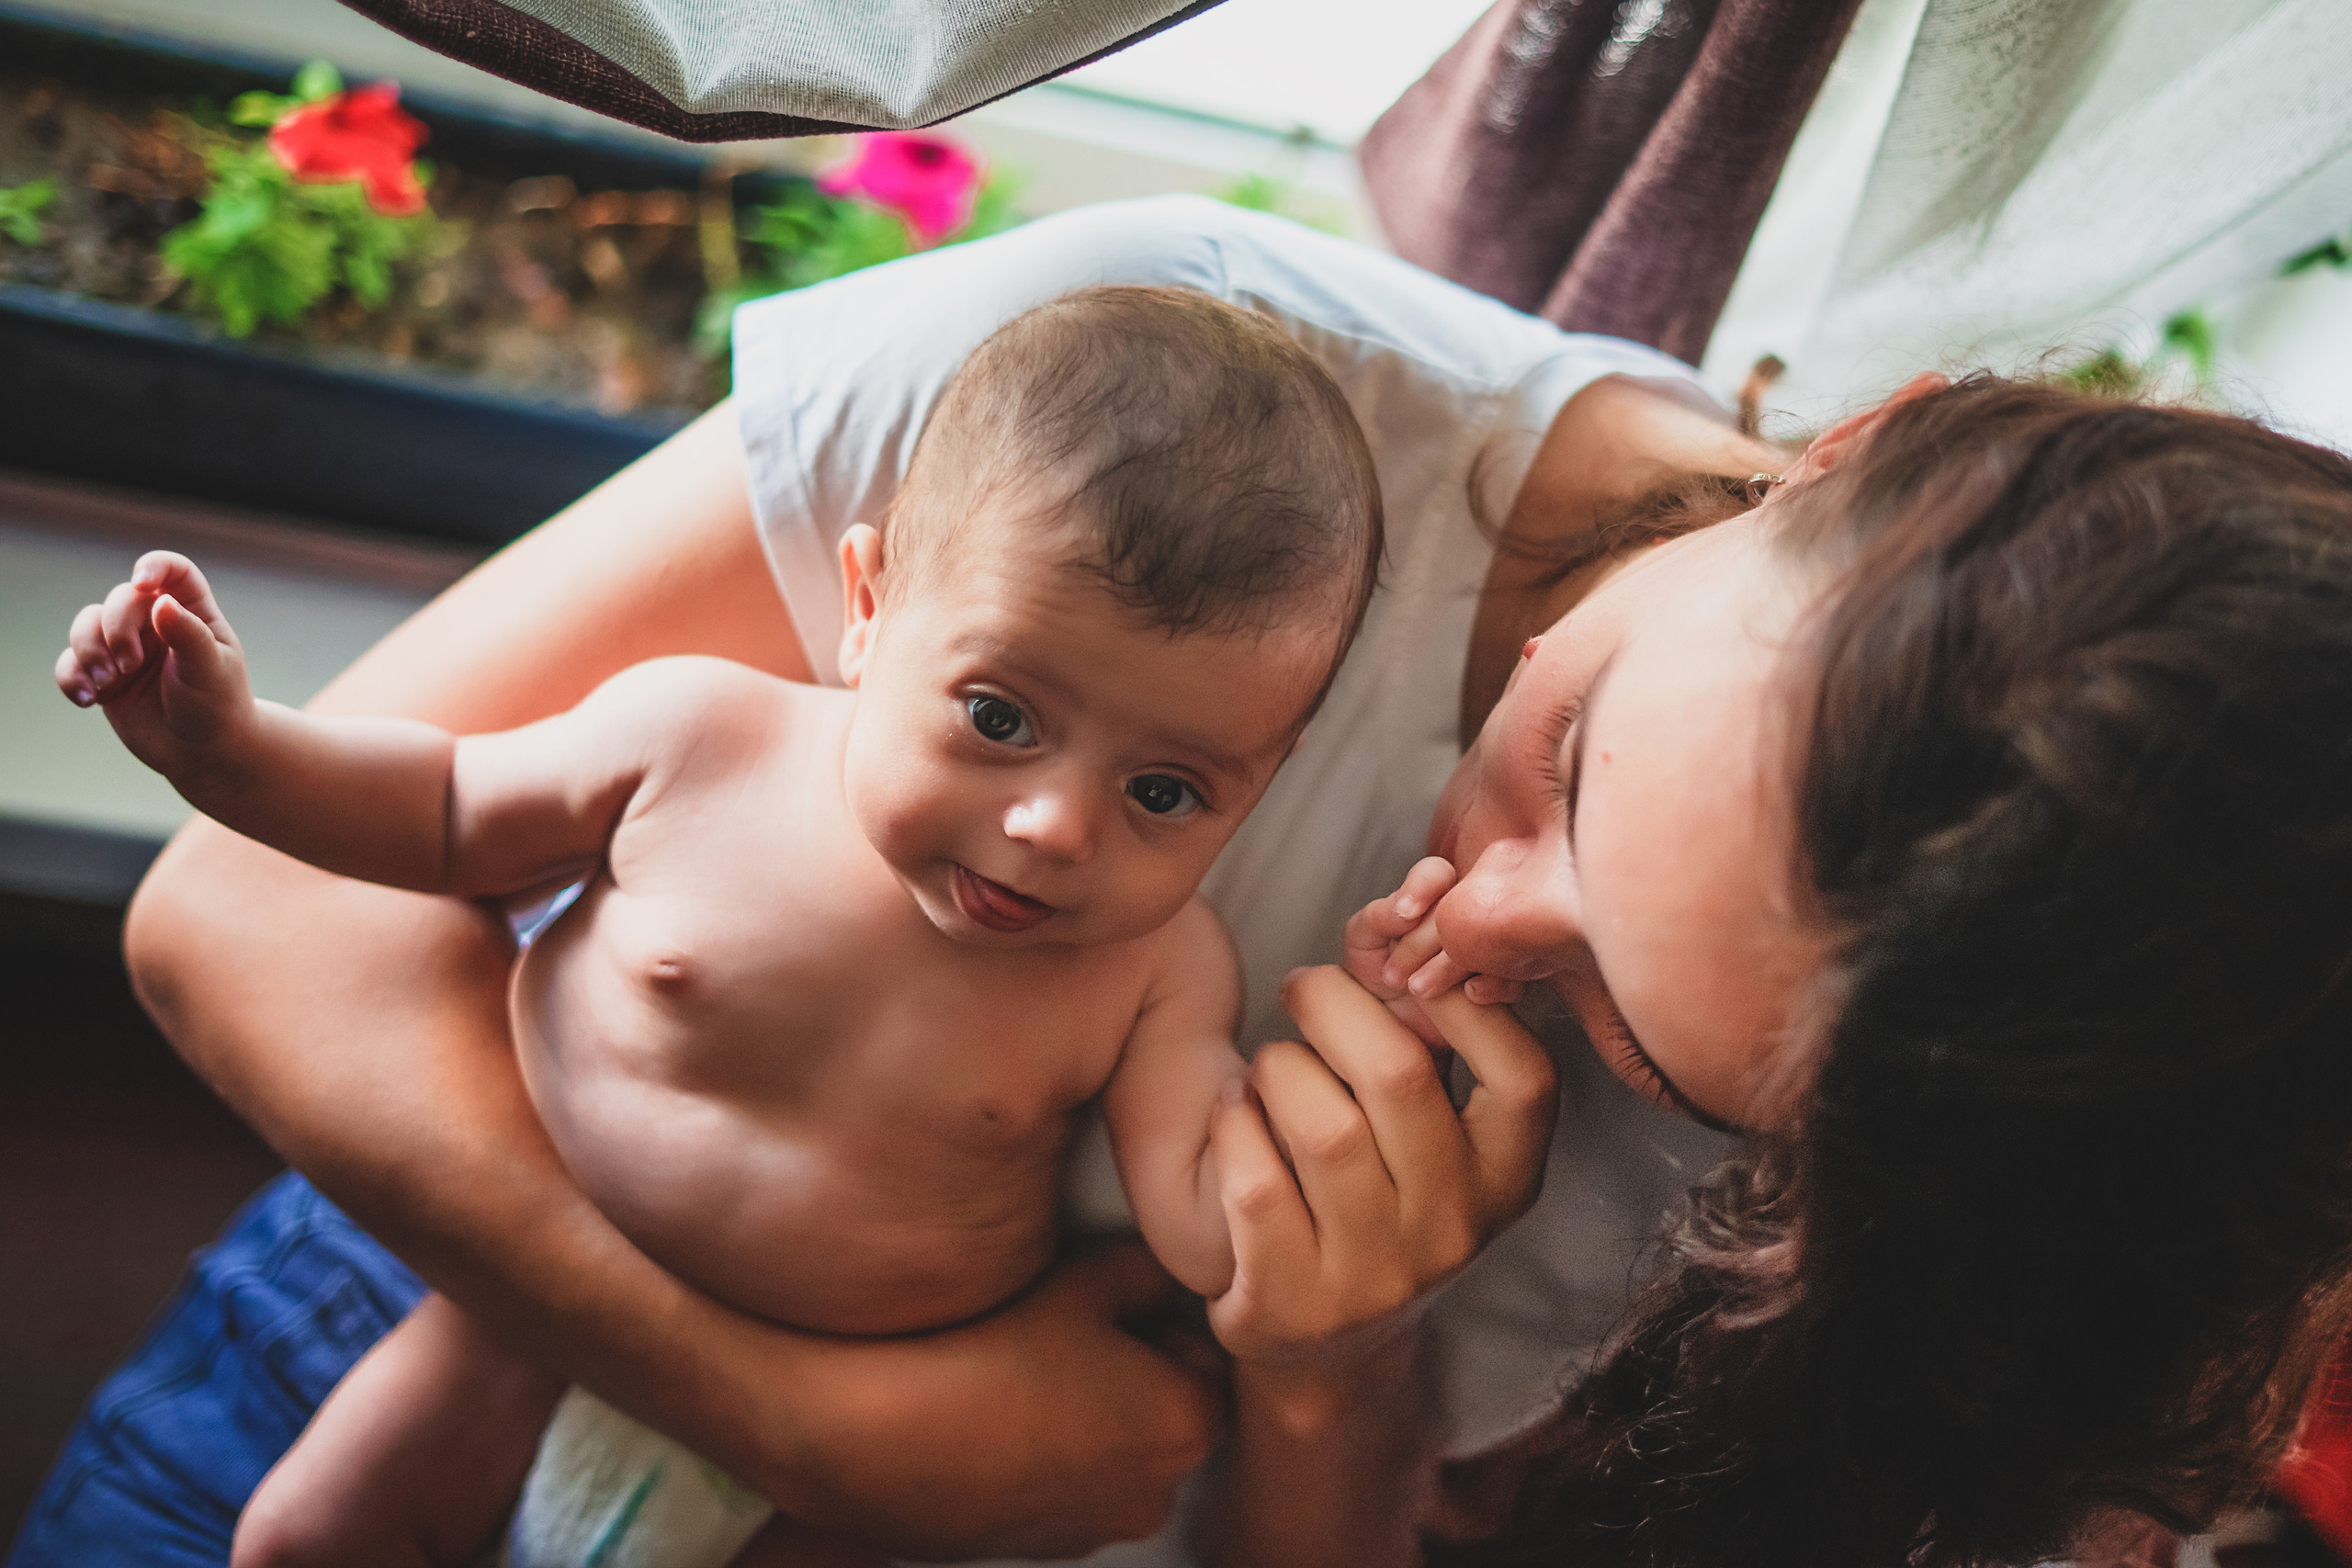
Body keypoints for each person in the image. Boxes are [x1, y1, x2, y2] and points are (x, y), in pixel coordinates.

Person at [21, 192, 2348, 1568]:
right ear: (1857, 444)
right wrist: (822, 1419)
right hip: (457, 1210)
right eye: (1562, 744)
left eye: (1650, 1040)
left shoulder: (1932, 1174)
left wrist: (1327, 1374)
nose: (1471, 896)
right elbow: (247, 923)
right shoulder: (1176, 401)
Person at [54, 285, 1401, 1568]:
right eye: (998, 717)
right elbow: (443, 809)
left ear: (1257, 788)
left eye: (1165, 791)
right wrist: (228, 749)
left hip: (883, 1412)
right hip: (538, 1304)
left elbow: (1199, 1222)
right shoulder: (695, 740)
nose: (1055, 827)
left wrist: (1366, 1123)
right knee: (304, 1543)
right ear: (870, 610)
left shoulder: (1159, 972)